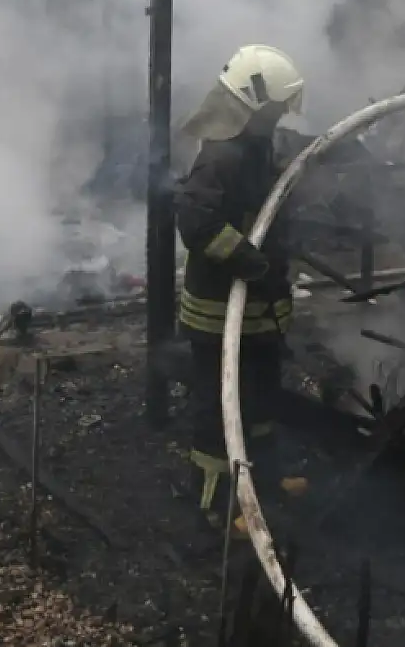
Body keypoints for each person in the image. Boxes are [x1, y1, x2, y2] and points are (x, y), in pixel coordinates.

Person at [174, 44, 310, 530]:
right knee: (220, 404)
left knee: (260, 398)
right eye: (275, 109)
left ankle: (263, 483)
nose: (279, 118)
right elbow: (195, 220)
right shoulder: (221, 155)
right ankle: (217, 503)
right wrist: (246, 259)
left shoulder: (255, 146)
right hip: (219, 311)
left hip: (258, 309)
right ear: (252, 104)